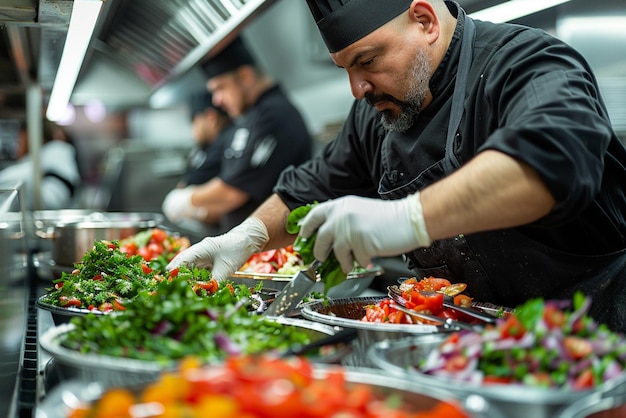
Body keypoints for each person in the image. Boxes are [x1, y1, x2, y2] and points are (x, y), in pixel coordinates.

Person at [168, 0, 626, 334]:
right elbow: (309, 188)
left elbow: (550, 162)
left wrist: (407, 218)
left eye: (367, 61)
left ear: (424, 20)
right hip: (476, 339)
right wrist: (245, 237)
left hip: (596, 338)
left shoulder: (529, 63)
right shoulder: (377, 111)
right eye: (345, 68)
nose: (356, 88)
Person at [162, 36, 313, 235]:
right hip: (250, 245)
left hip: (272, 249)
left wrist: (187, 199)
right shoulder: (253, 116)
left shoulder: (274, 115)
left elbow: (233, 192)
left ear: (245, 76)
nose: (217, 100)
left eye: (220, 88)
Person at [162, 90, 236, 233]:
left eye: (194, 123)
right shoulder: (206, 147)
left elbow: (232, 194)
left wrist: (191, 207)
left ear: (210, 117)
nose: (193, 132)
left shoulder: (229, 142)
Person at [0, 119, 81, 210]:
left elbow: (51, 200)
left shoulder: (55, 156)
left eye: (21, 139)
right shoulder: (46, 160)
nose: (17, 145)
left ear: (34, 138)